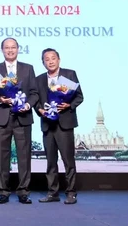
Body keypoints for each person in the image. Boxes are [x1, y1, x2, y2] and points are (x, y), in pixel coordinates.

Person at [0, 38, 38, 204]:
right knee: (2, 156)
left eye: (13, 47)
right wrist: (0, 99)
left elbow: (35, 92)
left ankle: (23, 192)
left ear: (18, 49)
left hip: (23, 118)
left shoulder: (27, 69)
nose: (10, 50)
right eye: (6, 48)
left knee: (24, 156)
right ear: (2, 50)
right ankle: (3, 192)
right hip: (2, 117)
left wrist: (28, 105)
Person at [35, 48, 83, 205]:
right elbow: (36, 101)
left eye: (53, 58)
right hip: (48, 125)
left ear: (59, 60)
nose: (50, 61)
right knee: (50, 161)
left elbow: (79, 97)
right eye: (46, 59)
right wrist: (40, 109)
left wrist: (68, 105)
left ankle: (71, 193)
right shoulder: (39, 79)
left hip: (65, 124)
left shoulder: (69, 75)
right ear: (43, 63)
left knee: (68, 161)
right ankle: (53, 193)